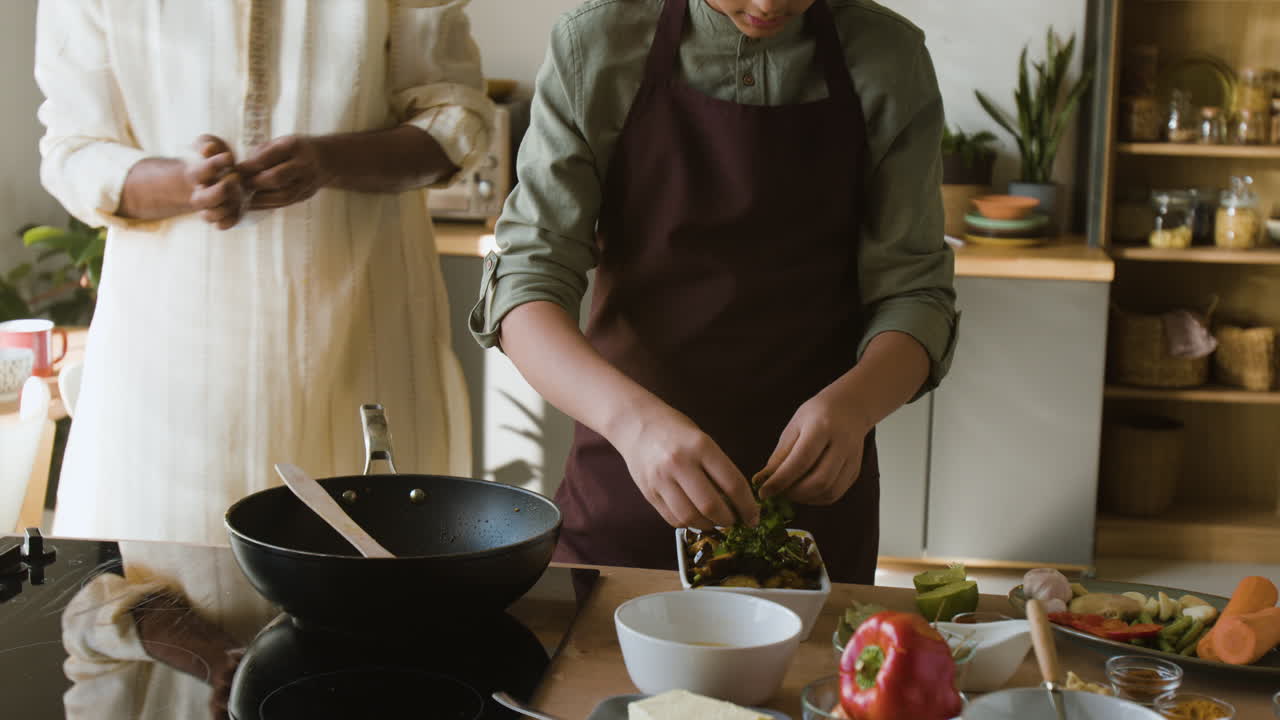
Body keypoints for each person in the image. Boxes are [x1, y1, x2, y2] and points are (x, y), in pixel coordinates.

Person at [469, 0, 959, 583]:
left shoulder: (888, 59)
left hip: (815, 523)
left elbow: (916, 294)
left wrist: (857, 406)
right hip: (624, 497)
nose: (769, 4)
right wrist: (632, 425)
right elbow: (525, 287)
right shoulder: (596, 47)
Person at [35, 0, 494, 545]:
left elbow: (455, 120)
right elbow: (72, 150)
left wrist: (332, 161)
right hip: (164, 376)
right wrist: (184, 185)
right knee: (159, 602)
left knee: (374, 593)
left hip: (359, 341)